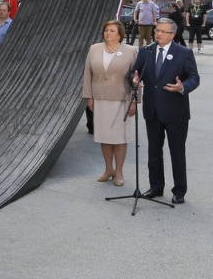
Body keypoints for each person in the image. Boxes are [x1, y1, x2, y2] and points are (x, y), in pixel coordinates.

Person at [131, 18, 200, 204]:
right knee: (154, 151)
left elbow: (194, 78)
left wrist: (182, 86)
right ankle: (156, 187)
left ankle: (179, 191)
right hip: (152, 111)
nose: (158, 34)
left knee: (177, 152)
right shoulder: (146, 51)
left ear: (172, 34)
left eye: (163, 31)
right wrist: (134, 80)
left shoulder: (184, 53)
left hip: (176, 112)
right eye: (157, 30)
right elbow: (134, 72)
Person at [83, 20, 138, 187]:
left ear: (120, 34)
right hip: (100, 99)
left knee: (119, 138)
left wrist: (135, 101)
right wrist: (89, 97)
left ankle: (119, 171)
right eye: (106, 30)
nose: (108, 33)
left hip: (122, 100)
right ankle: (108, 169)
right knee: (104, 137)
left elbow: (137, 77)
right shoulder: (94, 49)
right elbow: (87, 74)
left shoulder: (130, 51)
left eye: (112, 31)